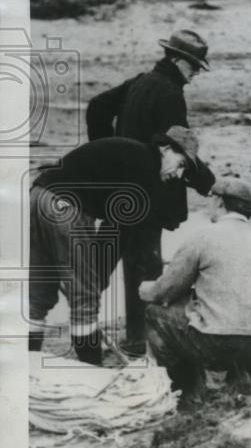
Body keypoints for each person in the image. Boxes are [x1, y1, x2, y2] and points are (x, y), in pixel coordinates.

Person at [85, 28, 215, 354]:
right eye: (194, 65)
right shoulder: (170, 93)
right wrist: (209, 184)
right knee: (146, 268)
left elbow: (97, 107)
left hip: (120, 193)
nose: (196, 72)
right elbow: (177, 147)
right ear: (178, 60)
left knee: (100, 264)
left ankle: (87, 332)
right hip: (148, 196)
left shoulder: (140, 81)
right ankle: (144, 343)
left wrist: (108, 153)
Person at [28, 126, 203, 364]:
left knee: (38, 295)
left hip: (37, 196)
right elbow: (116, 229)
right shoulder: (146, 171)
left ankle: (27, 368)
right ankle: (93, 372)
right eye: (181, 164)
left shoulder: (135, 155)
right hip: (66, 208)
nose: (180, 174)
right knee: (85, 300)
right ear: (166, 148)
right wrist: (95, 280)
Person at [139, 177, 251, 404]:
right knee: (227, 318)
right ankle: (240, 383)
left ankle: (188, 393)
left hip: (219, 344)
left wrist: (144, 289)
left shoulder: (204, 235)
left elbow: (165, 291)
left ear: (219, 202)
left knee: (154, 313)